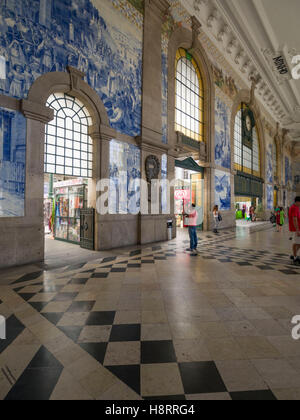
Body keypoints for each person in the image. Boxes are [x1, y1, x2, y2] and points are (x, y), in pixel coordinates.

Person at [289, 197, 300, 266]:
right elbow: (294, 219)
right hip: (296, 228)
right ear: (297, 202)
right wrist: (297, 230)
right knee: (296, 243)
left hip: (297, 228)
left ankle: (294, 255)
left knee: (296, 242)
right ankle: (295, 257)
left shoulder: (296, 207)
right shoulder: (294, 208)